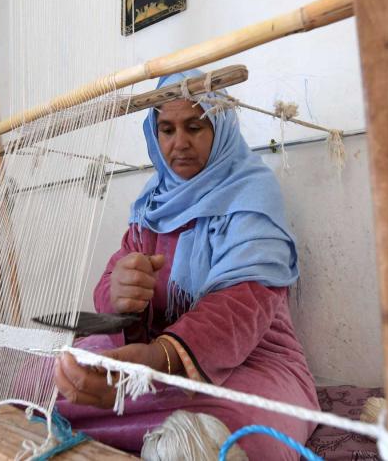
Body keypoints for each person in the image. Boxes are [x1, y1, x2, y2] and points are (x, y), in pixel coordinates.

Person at [55, 70, 319, 460]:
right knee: (54, 376)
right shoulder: (153, 205)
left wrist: (158, 359)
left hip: (255, 365)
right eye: (166, 129)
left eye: (194, 126)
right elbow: (110, 284)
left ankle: (124, 421)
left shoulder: (252, 198)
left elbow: (242, 306)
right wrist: (117, 289)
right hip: (155, 363)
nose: (179, 143)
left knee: (230, 433)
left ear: (221, 126)